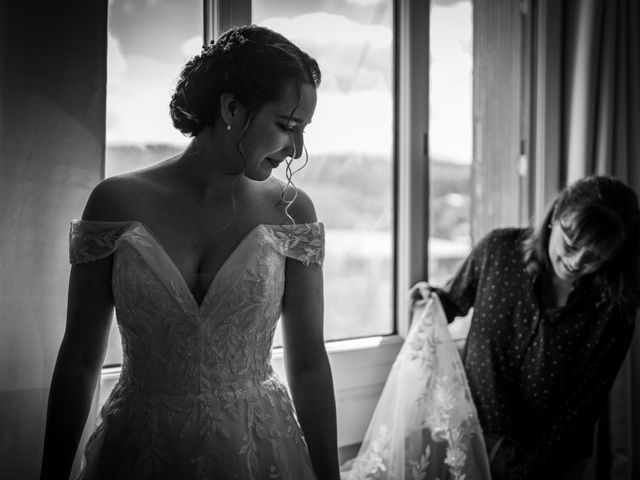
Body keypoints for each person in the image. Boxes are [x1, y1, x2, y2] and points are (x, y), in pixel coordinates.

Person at [40, 25, 339, 480]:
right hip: (139, 450)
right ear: (231, 108)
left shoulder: (292, 213)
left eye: (302, 131)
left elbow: (310, 362)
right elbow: (80, 358)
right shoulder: (116, 203)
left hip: (258, 449)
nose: (296, 149)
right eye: (286, 126)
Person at [410, 175, 640, 479]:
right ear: (555, 217)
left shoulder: (614, 308)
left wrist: (533, 467)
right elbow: (451, 302)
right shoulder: (498, 250)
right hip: (469, 435)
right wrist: (427, 298)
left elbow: (584, 406)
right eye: (570, 245)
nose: (576, 262)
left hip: (550, 457)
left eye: (595, 257)